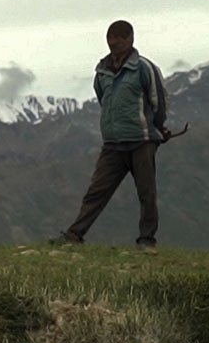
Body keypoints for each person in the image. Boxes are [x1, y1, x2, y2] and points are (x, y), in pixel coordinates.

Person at [54, 20, 171, 252]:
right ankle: (74, 235)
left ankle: (147, 240)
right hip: (113, 144)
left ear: (130, 40)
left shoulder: (145, 68)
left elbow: (159, 102)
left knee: (146, 192)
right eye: (111, 40)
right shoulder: (102, 73)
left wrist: (157, 127)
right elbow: (104, 100)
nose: (114, 44)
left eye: (119, 40)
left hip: (142, 140)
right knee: (96, 191)